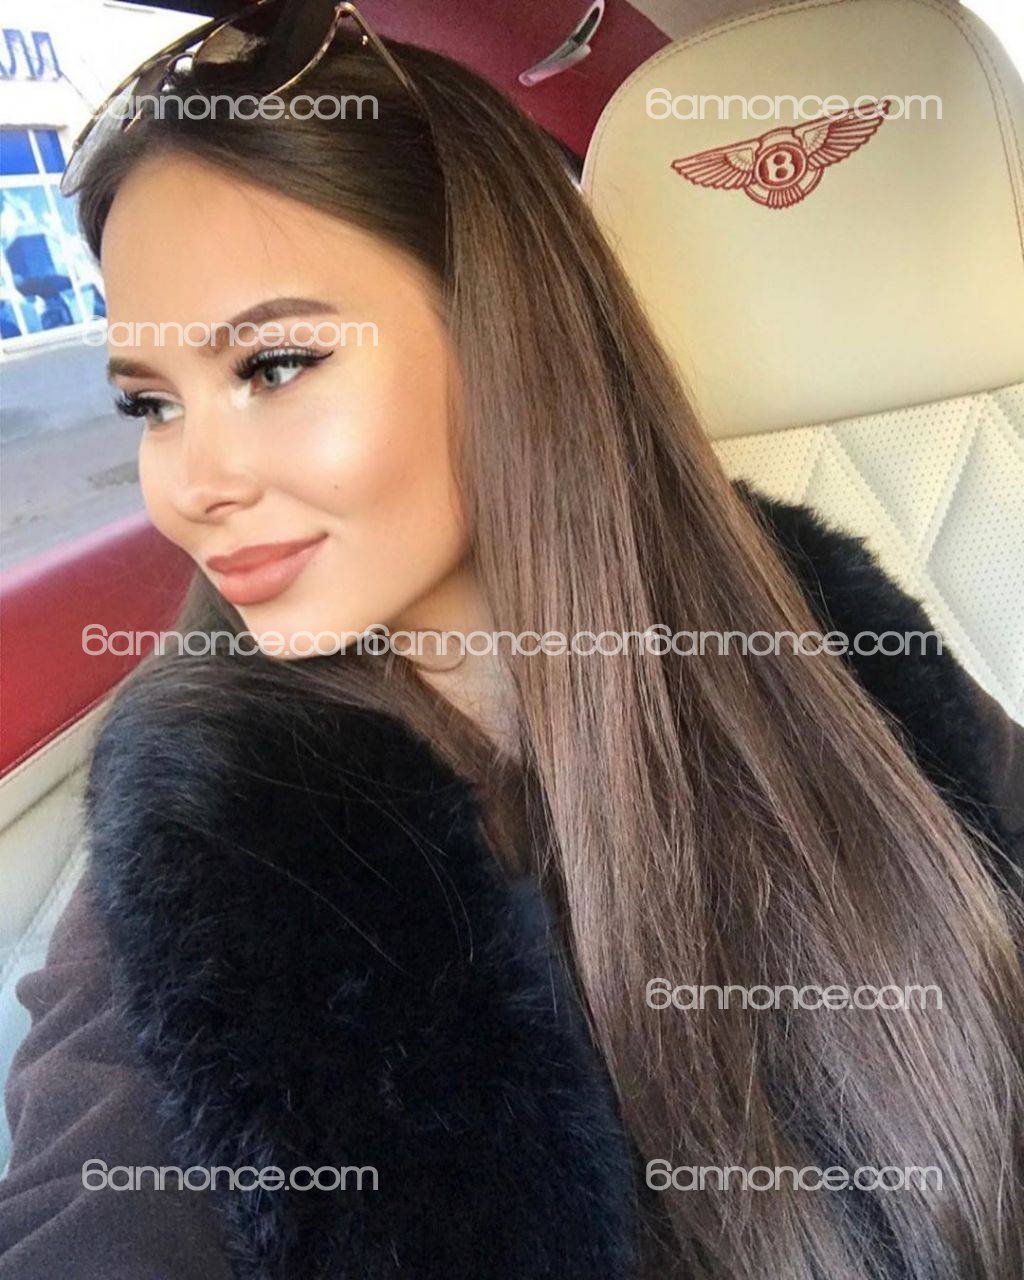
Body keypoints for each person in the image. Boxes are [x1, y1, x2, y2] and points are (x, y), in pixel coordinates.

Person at [2, 4, 1022, 1277]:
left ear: (506, 332)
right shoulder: (218, 815)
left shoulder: (823, 622)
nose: (189, 485)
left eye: (272, 365)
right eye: (151, 404)